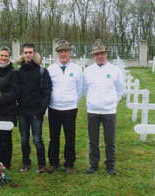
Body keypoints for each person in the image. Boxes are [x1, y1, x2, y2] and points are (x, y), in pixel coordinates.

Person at [83, 39, 124, 175]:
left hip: (109, 111)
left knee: (110, 141)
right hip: (93, 111)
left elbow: (120, 89)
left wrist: (113, 102)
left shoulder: (114, 70)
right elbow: (85, 89)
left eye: (101, 53)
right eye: (96, 54)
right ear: (93, 56)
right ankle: (93, 164)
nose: (99, 56)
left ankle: (110, 165)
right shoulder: (88, 71)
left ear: (106, 54)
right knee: (93, 140)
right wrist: (91, 101)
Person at [47, 40, 83, 174]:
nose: (63, 54)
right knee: (54, 136)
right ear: (57, 53)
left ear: (70, 53)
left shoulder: (76, 69)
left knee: (70, 137)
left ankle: (69, 163)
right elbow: (48, 87)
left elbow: (79, 89)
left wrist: (72, 100)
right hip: (54, 108)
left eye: (65, 51)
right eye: (60, 51)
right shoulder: (51, 69)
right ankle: (53, 162)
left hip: (70, 109)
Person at [17, 43, 52, 173]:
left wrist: (40, 110)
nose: (27, 55)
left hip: (36, 111)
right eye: (25, 52)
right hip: (22, 111)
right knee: (24, 139)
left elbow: (47, 92)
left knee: (37, 139)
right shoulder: (19, 71)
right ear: (22, 54)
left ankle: (41, 164)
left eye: (30, 52)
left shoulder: (42, 71)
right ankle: (26, 163)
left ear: (34, 53)